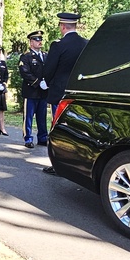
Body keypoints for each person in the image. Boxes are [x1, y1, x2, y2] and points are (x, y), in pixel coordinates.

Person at [41, 13, 88, 174]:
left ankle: (58, 164)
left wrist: (45, 81)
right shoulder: (85, 43)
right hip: (79, 92)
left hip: (61, 93)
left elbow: (49, 69)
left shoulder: (58, 45)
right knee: (77, 128)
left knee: (58, 128)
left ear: (62, 26)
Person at [19, 30, 49, 148]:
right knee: (28, 117)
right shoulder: (26, 56)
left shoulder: (46, 56)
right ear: (31, 42)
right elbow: (25, 72)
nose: (40, 42)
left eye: (40, 39)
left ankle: (42, 137)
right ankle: (28, 138)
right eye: (37, 40)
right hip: (31, 91)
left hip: (43, 92)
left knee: (42, 117)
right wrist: (37, 82)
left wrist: (47, 82)